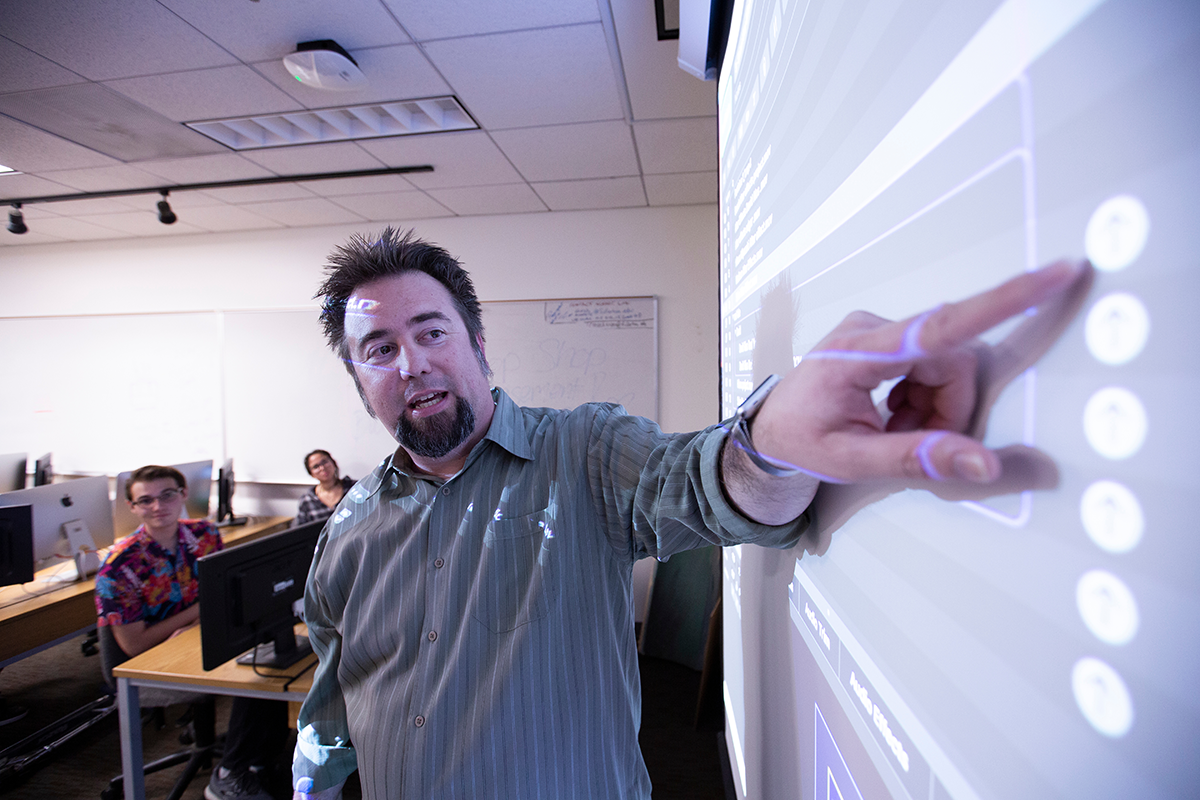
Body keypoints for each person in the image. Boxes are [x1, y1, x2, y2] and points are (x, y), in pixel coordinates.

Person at [291, 228, 1092, 800]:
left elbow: (705, 485)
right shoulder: (347, 536)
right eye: (380, 349)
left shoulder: (583, 453)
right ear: (361, 381)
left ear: (475, 341)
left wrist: (774, 443)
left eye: (431, 331)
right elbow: (331, 711)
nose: (413, 360)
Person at [94, 465, 289, 800]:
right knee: (254, 677)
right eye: (146, 500)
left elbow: (226, 595)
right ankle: (230, 773)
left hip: (200, 640)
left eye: (167, 494)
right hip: (148, 665)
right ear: (133, 508)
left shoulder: (204, 535)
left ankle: (257, 761)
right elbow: (134, 645)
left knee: (274, 656)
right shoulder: (119, 565)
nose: (158, 506)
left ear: (183, 495)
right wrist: (197, 614)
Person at [292, 450, 353, 527]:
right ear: (311, 473)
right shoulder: (307, 500)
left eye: (324, 462)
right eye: (315, 466)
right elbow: (300, 531)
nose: (322, 468)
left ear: (333, 463)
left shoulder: (354, 489)